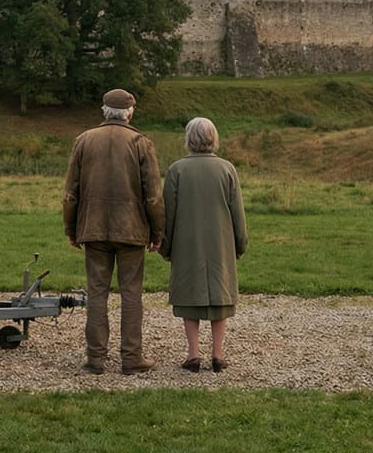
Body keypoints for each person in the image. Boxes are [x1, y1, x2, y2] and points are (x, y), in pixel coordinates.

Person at [62, 88, 165, 375]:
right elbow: (153, 196)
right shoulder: (140, 143)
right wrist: (158, 232)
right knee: (131, 294)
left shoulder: (84, 140)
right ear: (130, 112)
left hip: (92, 228)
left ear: (104, 111)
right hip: (131, 229)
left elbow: (71, 193)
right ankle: (132, 358)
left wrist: (71, 228)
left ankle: (95, 359)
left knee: (97, 293)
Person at [161, 117, 247, 373]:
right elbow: (237, 212)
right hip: (221, 243)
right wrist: (240, 243)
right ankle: (218, 354)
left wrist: (166, 247)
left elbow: (169, 213)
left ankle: (193, 354)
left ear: (189, 139)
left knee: (190, 297)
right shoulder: (227, 169)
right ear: (214, 138)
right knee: (220, 297)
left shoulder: (176, 170)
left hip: (187, 243)